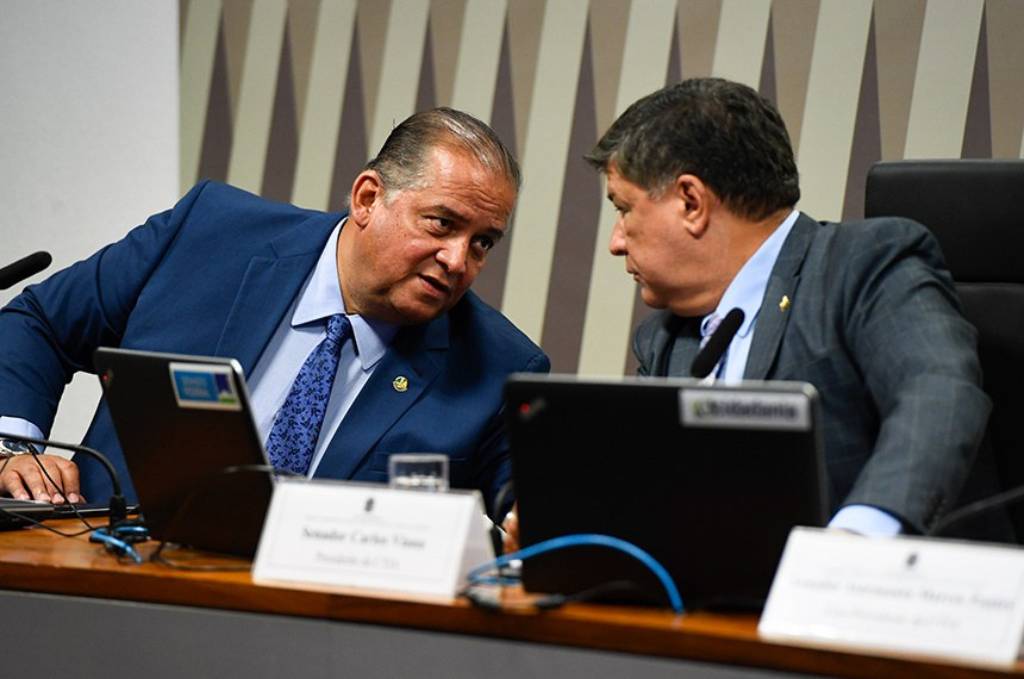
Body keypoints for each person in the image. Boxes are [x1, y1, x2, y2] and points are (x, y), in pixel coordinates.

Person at [0, 107, 549, 519]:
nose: (458, 260)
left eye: (483, 243)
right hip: (108, 576)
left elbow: (524, 519)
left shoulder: (496, 367)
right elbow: (39, 323)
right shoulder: (207, 234)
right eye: (441, 223)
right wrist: (15, 453)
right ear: (366, 199)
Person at [585, 77, 994, 537]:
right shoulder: (664, 339)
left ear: (691, 202)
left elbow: (938, 392)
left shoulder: (862, 265)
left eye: (623, 209)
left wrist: (856, 538)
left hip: (891, 592)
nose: (616, 242)